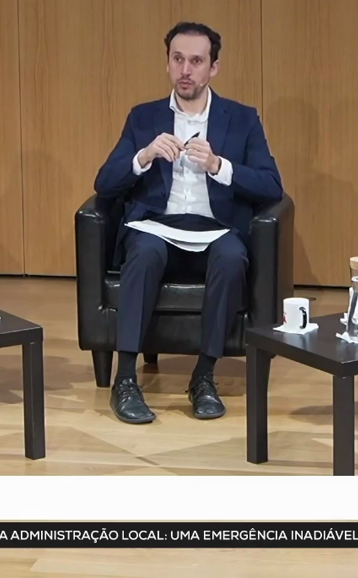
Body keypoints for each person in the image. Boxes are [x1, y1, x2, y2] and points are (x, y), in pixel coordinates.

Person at [94, 22, 283, 425]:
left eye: (196, 61)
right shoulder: (143, 117)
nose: (185, 70)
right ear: (167, 63)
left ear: (213, 68)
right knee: (143, 253)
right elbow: (104, 184)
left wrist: (218, 165)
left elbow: (271, 185)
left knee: (231, 258)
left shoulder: (242, 119)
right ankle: (124, 379)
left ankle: (203, 377)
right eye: (177, 59)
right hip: (156, 226)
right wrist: (143, 156)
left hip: (215, 228)